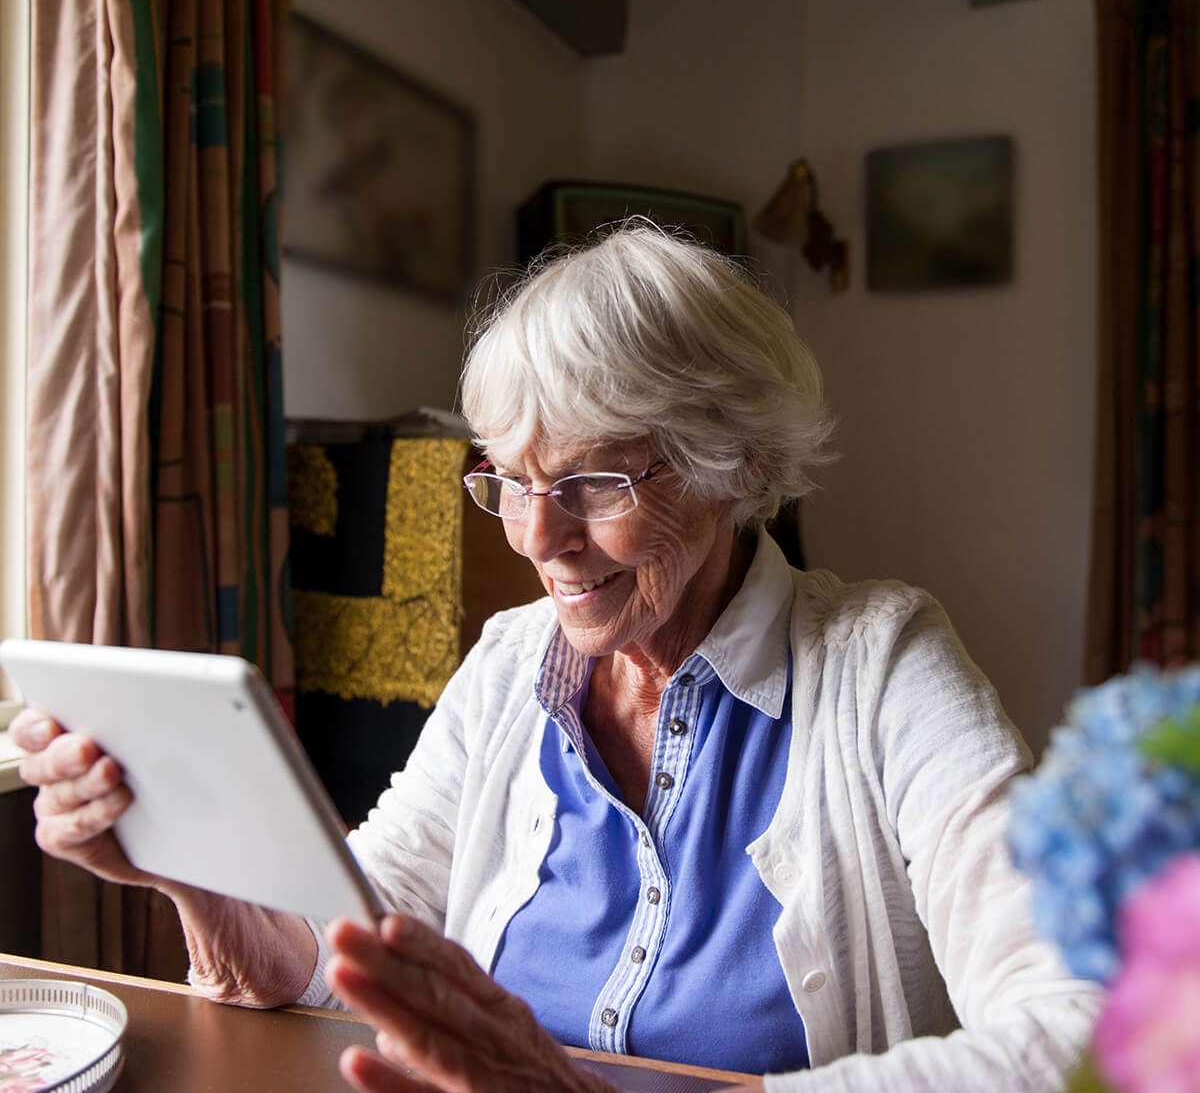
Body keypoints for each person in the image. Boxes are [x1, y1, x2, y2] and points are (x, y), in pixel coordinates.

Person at [14, 225, 1101, 1092]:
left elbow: (1082, 1031)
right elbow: (354, 940)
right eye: (512, 482)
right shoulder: (508, 664)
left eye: (595, 483)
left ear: (735, 467)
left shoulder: (880, 666)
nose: (539, 537)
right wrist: (187, 865)